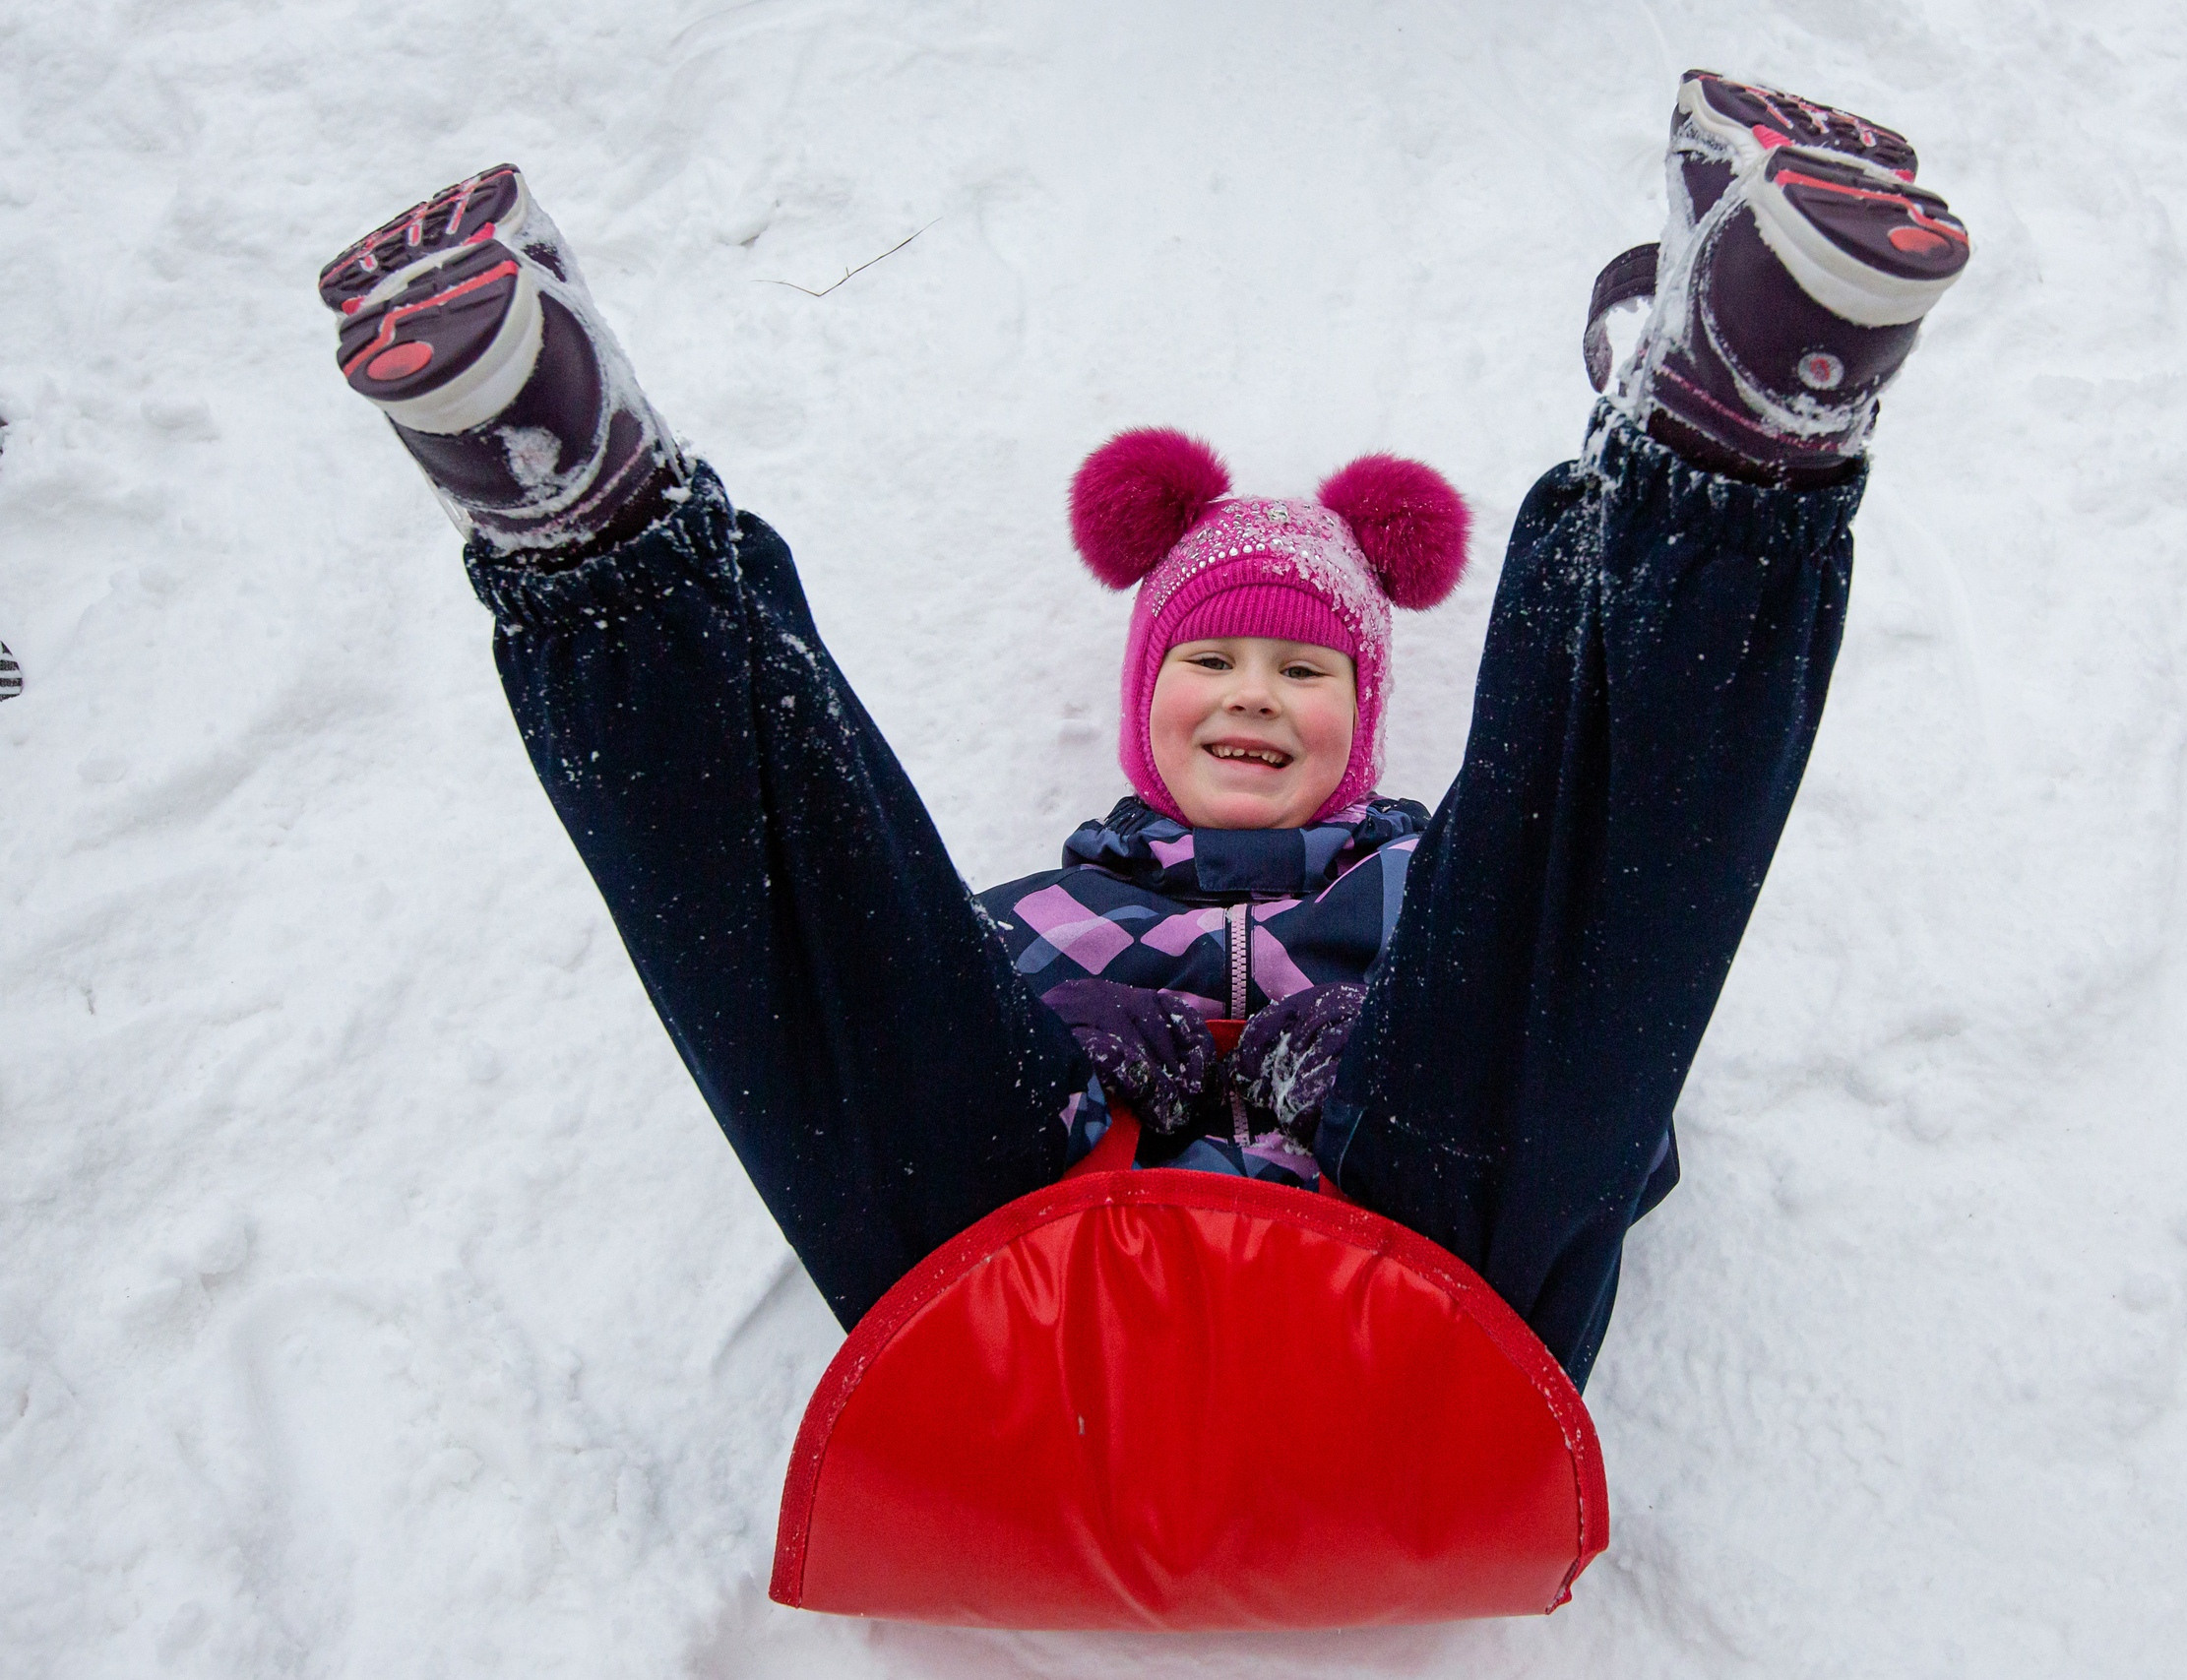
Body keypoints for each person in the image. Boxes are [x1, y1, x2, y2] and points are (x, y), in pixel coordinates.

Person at [320, 71, 1968, 1388]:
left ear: (1362, 727)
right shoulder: (1027, 924)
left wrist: (1361, 1061)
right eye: (1213, 659)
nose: (1253, 692)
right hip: (1019, 1324)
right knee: (837, 958)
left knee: (1570, 925)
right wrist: (1083, 1066)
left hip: (1424, 1325)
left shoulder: (1446, 894)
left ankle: (1729, 436)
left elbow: (1613, 1099)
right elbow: (879, 1058)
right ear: (1142, 707)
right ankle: (590, 525)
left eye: (1306, 671)